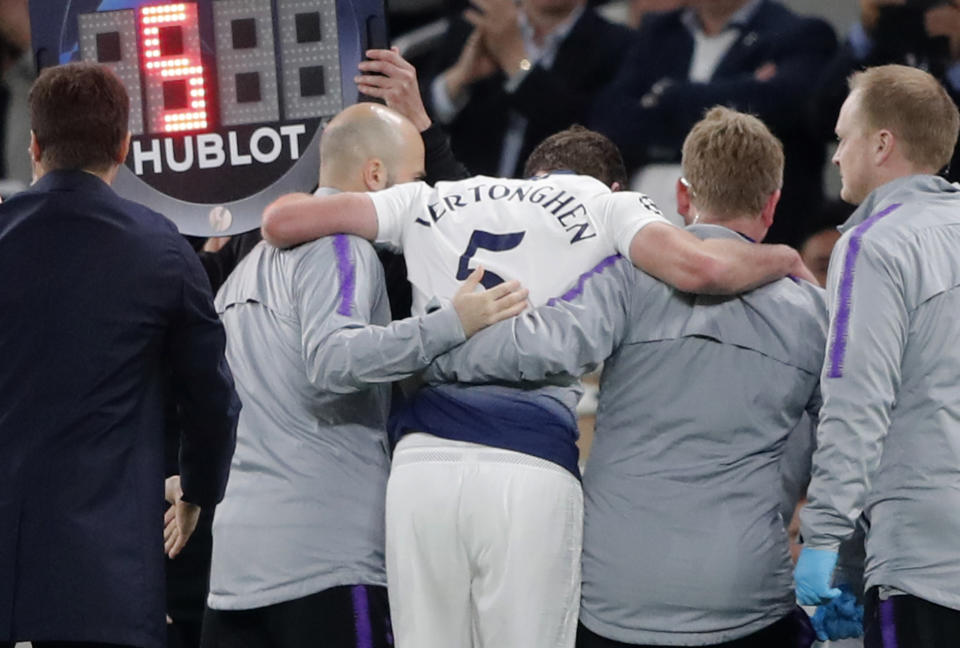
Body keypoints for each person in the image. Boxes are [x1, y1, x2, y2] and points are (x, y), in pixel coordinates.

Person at [260, 124, 814, 648]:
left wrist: (439, 336)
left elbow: (281, 222)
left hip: (420, 469)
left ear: (529, 177)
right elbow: (702, 270)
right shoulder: (610, 207)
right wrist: (784, 256)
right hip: (527, 466)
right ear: (613, 183)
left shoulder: (428, 197)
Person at [423, 107, 827, 648]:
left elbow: (529, 347)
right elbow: (849, 449)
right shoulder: (815, 314)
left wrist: (426, 347)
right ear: (773, 204)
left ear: (682, 198)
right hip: (746, 595)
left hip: (613, 596)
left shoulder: (624, 280)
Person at [201, 102, 527, 648]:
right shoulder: (341, 245)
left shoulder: (242, 271)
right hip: (326, 560)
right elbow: (333, 360)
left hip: (235, 571)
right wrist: (452, 324)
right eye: (416, 181)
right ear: (376, 176)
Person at [0, 62, 239, 648]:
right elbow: (212, 400)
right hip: (102, 583)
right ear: (125, 147)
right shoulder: (161, 249)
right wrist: (197, 491)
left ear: (34, 145)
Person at [794, 64, 960, 647]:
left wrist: (824, 539)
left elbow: (857, 400)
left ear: (882, 143)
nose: (837, 156)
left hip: (925, 561)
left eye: (844, 138)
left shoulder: (875, 243)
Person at [590, 0, 836, 247]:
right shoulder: (659, 31)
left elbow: (777, 107)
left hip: (749, 240)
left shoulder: (800, 33)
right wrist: (743, 87)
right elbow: (610, 119)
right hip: (641, 233)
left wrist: (665, 95)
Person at [421, 0, 631, 178]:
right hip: (467, 195)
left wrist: (518, 64)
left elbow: (591, 136)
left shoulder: (618, 44)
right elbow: (420, 120)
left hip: (553, 206)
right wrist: (458, 79)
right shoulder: (479, 24)